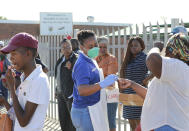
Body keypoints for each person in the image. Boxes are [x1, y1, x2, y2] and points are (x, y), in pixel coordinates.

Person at [118, 33, 189, 131]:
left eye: (168, 50)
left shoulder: (178, 66)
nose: (166, 54)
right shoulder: (176, 71)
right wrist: (132, 84)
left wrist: (156, 48)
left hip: (168, 126)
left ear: (175, 51)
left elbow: (152, 59)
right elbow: (152, 96)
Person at [0, 32, 50, 131]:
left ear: (28, 53)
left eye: (14, 53)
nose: (11, 58)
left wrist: (12, 90)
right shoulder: (24, 78)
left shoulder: (39, 80)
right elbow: (16, 116)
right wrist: (4, 101)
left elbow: (23, 121)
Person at [71, 30, 118, 131]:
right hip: (84, 111)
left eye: (95, 44)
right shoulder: (82, 64)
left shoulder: (91, 60)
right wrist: (102, 84)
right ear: (81, 47)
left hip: (91, 108)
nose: (95, 48)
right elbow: (82, 90)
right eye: (90, 46)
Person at [119, 36, 148, 131]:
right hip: (127, 94)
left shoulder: (145, 58)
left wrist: (146, 79)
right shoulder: (128, 58)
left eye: (136, 45)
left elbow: (154, 72)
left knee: (141, 125)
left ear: (141, 47)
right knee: (131, 124)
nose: (133, 48)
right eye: (131, 46)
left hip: (139, 94)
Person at [95, 36, 118, 131]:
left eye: (105, 47)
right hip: (97, 93)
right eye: (100, 47)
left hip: (109, 93)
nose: (103, 49)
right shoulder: (95, 59)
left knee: (110, 119)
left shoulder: (111, 59)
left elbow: (110, 79)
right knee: (99, 120)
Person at [55, 38, 77, 131]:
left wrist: (72, 68)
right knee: (63, 120)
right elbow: (58, 76)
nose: (66, 49)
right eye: (63, 47)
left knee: (73, 121)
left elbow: (79, 75)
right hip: (61, 94)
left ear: (71, 47)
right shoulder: (60, 60)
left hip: (71, 95)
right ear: (61, 49)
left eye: (68, 46)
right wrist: (56, 90)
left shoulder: (75, 59)